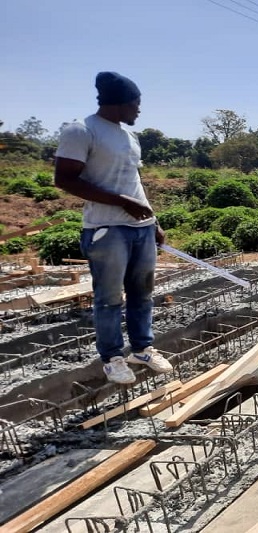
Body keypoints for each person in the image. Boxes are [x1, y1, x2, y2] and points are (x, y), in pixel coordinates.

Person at [54, 71, 173, 384]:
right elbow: (64, 179)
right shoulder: (81, 131)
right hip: (107, 228)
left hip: (140, 227)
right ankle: (112, 357)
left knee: (142, 293)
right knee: (109, 298)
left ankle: (143, 349)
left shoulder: (129, 136)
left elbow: (132, 183)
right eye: (136, 103)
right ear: (120, 103)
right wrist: (120, 202)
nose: (139, 109)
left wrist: (153, 221)